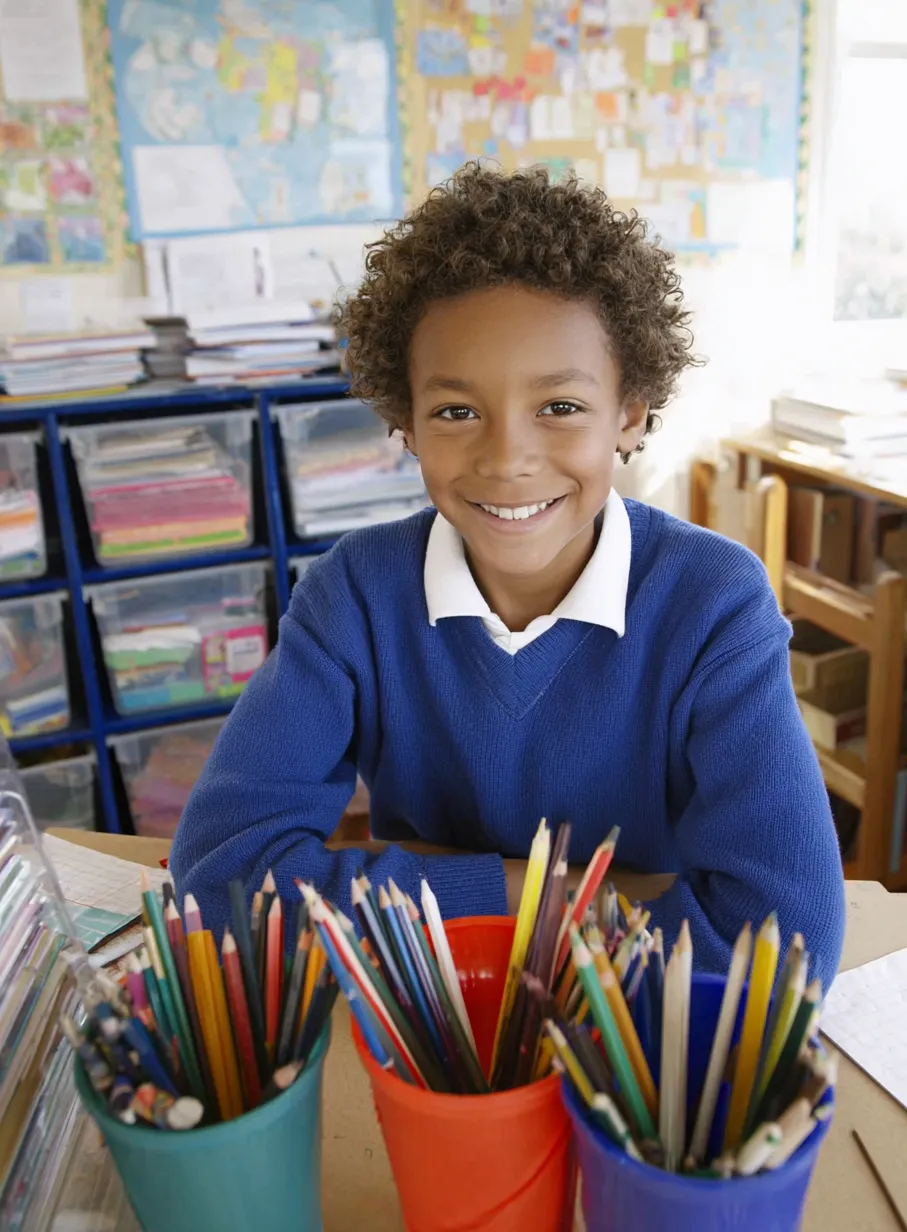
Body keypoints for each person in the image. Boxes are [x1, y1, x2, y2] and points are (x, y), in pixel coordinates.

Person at [172, 164, 845, 986]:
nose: (508, 459)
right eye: (456, 411)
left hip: (624, 1043)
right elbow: (221, 884)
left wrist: (426, 913)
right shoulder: (356, 595)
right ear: (406, 422)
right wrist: (532, 896)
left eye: (559, 407)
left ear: (629, 413)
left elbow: (786, 942)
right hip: (433, 1013)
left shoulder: (713, 606)